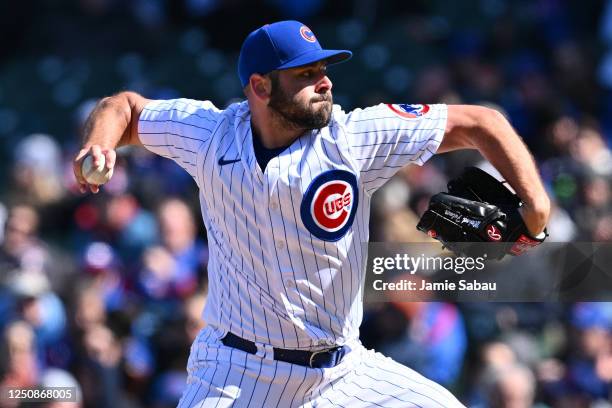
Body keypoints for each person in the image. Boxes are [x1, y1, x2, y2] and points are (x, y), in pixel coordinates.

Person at [73, 20, 550, 408]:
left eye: (323, 68)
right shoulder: (211, 136)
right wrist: (100, 141)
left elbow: (481, 122)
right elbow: (124, 107)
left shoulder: (354, 139)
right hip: (237, 373)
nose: (325, 81)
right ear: (260, 86)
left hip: (344, 372)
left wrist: (536, 203)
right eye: (305, 74)